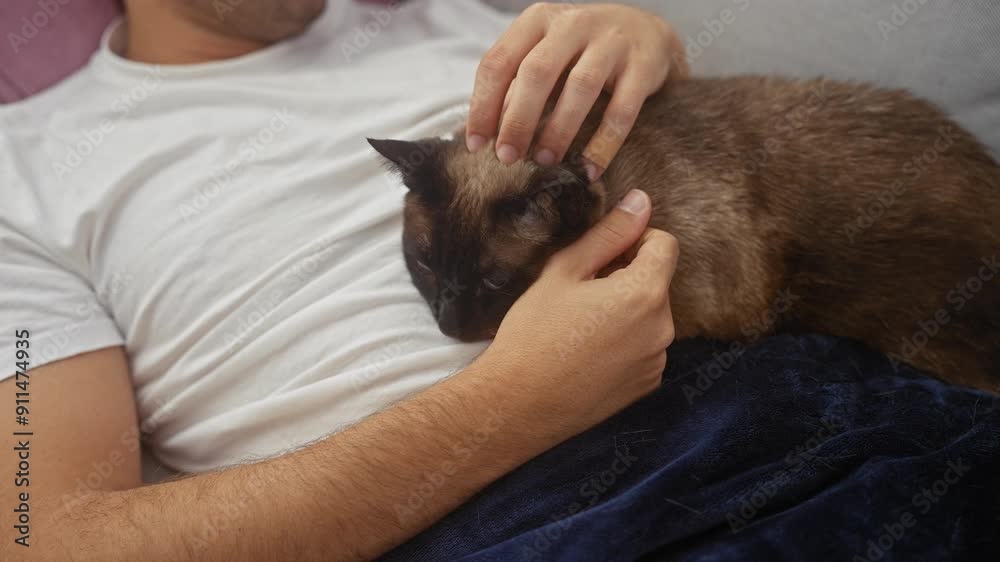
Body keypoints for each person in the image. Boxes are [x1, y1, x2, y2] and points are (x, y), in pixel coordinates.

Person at [0, 1, 684, 559]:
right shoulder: (20, 172)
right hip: (506, 528)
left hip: (729, 381)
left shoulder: (484, 27)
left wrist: (663, 61)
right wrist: (515, 404)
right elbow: (44, 540)